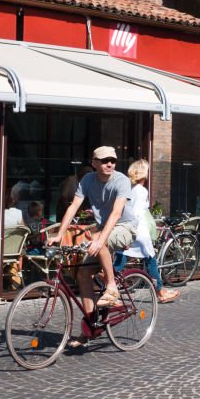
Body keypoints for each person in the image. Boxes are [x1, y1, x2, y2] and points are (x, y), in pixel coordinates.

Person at [50, 146, 139, 346]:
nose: (110, 164)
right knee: (82, 273)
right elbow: (73, 206)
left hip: (125, 227)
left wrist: (99, 239)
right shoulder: (88, 180)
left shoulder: (121, 181)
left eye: (113, 160)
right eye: (105, 160)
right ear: (94, 163)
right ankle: (91, 326)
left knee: (100, 239)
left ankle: (111, 287)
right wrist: (60, 235)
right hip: (103, 227)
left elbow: (116, 213)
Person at [125, 159, 178, 303]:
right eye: (147, 170)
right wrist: (134, 231)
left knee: (121, 256)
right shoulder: (141, 191)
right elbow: (136, 213)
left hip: (130, 229)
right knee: (151, 260)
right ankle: (160, 292)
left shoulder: (130, 188)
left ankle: (107, 281)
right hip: (139, 231)